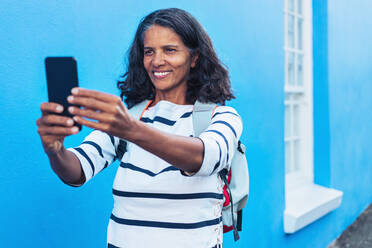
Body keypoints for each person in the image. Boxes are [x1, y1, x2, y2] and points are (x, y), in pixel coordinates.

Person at [36, 8, 242, 248]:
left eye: (170, 50)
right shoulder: (131, 117)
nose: (157, 61)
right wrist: (55, 151)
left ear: (194, 58)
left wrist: (132, 130)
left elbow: (204, 157)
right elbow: (76, 170)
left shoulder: (221, 117)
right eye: (149, 51)